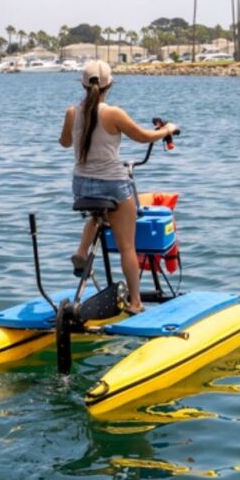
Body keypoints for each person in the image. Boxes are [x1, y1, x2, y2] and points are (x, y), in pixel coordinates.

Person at [59, 59, 178, 314]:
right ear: (109, 85)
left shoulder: (72, 112)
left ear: (82, 84)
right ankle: (135, 303)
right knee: (127, 246)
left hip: (81, 186)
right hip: (113, 183)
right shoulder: (113, 113)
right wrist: (167, 129)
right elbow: (144, 136)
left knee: (98, 214)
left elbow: (65, 143)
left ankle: (82, 251)